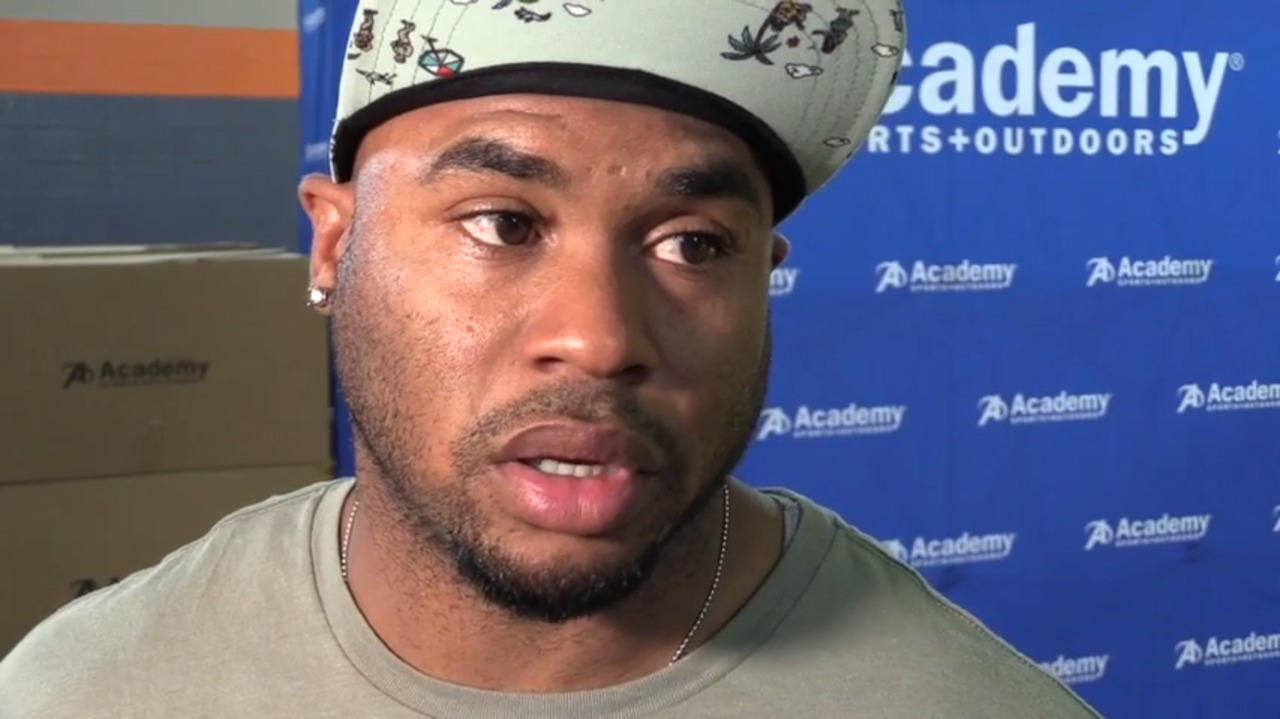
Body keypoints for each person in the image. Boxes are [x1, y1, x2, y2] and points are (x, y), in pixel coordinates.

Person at [0, 1, 1104, 717]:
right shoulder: (91, 688)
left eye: (691, 244)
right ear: (335, 243)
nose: (599, 336)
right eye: (501, 221)